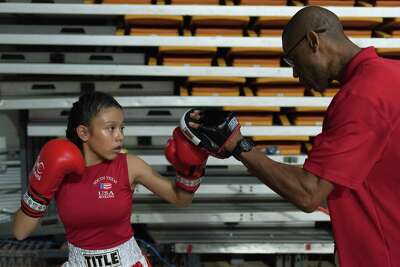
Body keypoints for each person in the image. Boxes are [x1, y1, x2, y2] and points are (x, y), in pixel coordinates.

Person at [181, 6, 400, 267]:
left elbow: (309, 193)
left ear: (313, 40)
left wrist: (239, 146)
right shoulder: (392, 74)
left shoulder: (361, 97)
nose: (296, 75)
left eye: (293, 61)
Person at [12, 91, 209, 267]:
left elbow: (181, 199)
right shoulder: (60, 169)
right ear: (84, 132)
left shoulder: (129, 165)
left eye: (122, 128)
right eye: (111, 128)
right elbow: (20, 232)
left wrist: (191, 170)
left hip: (128, 262)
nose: (119, 136)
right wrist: (37, 191)